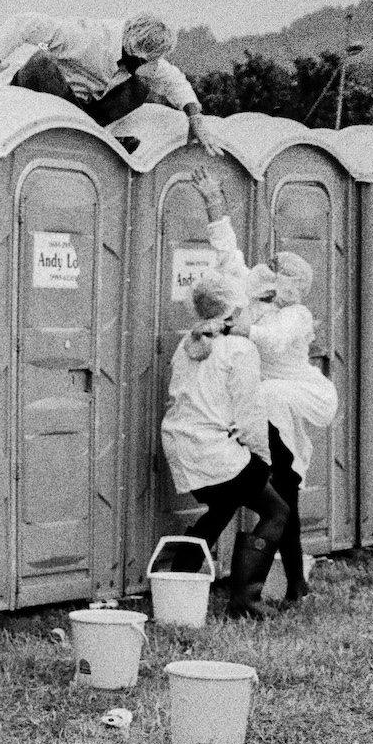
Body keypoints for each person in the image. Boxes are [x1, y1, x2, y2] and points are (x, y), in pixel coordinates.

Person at [191, 167, 340, 605]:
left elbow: (272, 342)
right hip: (256, 402)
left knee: (283, 490)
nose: (267, 275)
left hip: (284, 398)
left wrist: (240, 331)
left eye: (276, 274)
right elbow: (227, 253)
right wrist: (214, 203)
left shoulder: (296, 316)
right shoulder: (253, 299)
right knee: (269, 492)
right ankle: (285, 585)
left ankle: (289, 583)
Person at [158, 185, 287, 619]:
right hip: (214, 450)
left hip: (184, 446)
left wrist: (214, 205)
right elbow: (250, 416)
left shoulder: (188, 342)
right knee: (275, 510)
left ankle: (178, 578)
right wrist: (262, 458)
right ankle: (245, 600)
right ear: (233, 312)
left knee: (224, 503)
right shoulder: (238, 349)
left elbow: (229, 257)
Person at [0, 11, 222, 156]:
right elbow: (25, 24)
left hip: (79, 107)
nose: (157, 64)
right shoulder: (88, 38)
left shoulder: (139, 62)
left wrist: (195, 117)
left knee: (140, 88)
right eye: (153, 59)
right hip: (38, 87)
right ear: (137, 52)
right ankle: (97, 137)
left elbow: (174, 81)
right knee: (44, 62)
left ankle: (92, 135)